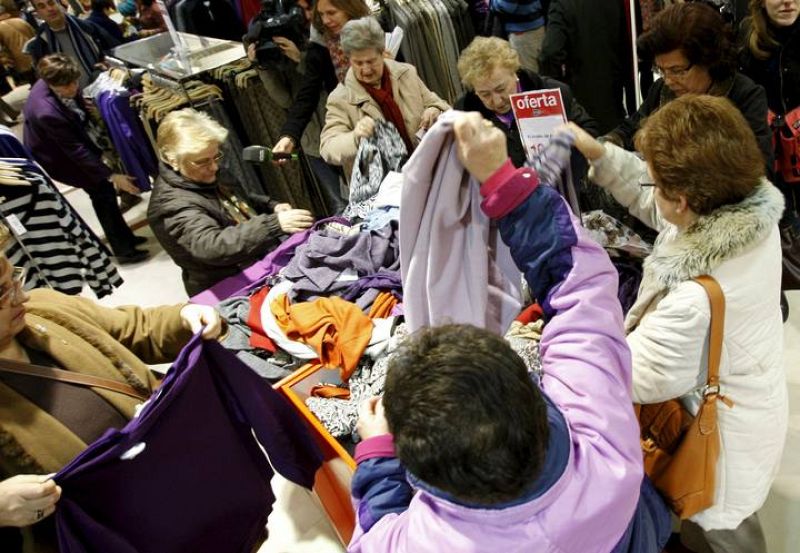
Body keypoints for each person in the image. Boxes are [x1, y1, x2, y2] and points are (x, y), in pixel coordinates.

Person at [348, 113, 671, 552]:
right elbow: (579, 284)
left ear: (419, 466)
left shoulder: (425, 544)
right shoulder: (597, 422)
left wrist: (378, 457)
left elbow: (373, 533)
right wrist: (502, 179)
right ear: (532, 388)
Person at [568, 94, 786, 553]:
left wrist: (566, 341)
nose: (651, 188)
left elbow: (635, 375)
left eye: (658, 183)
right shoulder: (745, 214)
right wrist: (599, 154)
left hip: (719, 438)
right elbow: (661, 213)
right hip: (750, 398)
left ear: (683, 200)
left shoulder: (692, 299)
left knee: (721, 526)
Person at [0, 254, 222, 551]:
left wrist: (185, 318)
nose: (21, 295)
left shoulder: (44, 308)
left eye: (14, 278)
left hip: (183, 487)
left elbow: (133, 327)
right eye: (2, 292)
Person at [148, 108, 314, 297]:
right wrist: (273, 224)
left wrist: (271, 206)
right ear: (173, 160)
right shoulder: (171, 205)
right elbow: (212, 245)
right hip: (230, 288)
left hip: (257, 266)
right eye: (202, 162)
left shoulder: (201, 174)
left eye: (216, 156)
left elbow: (238, 199)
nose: (214, 166)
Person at [604, 2, 772, 163]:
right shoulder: (662, 91)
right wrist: (609, 142)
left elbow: (760, 170)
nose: (668, 80)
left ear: (708, 60)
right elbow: (630, 128)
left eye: (677, 71)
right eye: (661, 70)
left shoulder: (745, 96)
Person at [22, 54, 149, 264]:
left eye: (75, 82)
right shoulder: (47, 112)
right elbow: (76, 151)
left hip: (70, 145)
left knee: (105, 194)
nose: (73, 88)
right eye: (66, 86)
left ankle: (126, 239)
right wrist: (111, 174)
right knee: (102, 194)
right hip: (60, 159)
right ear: (52, 83)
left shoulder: (57, 81)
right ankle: (124, 249)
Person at [245, 0, 347, 214]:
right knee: (340, 204)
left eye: (311, 9)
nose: (311, 16)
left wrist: (301, 58)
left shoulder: (321, 41)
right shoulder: (279, 49)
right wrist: (262, 67)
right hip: (311, 142)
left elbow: (331, 87)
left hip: (341, 132)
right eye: (307, 10)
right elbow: (286, 100)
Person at [319, 16, 450, 179]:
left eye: (371, 61)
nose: (366, 70)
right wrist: (355, 137)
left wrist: (434, 109)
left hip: (427, 171)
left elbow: (441, 105)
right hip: (384, 188)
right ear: (349, 60)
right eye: (358, 63)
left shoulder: (406, 73)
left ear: (383, 53)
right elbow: (328, 148)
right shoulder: (340, 98)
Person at [738, 0, 799, 320]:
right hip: (765, 153)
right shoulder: (746, 42)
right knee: (773, 225)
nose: (787, 1)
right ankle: (774, 288)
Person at [454, 36, 599, 170]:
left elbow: (590, 131)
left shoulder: (551, 92)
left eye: (501, 89)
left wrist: (567, 141)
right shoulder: (465, 112)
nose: (497, 101)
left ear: (515, 73)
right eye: (485, 94)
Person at [270, 0, 370, 164]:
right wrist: (289, 136)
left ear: (348, 7)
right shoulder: (321, 45)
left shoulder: (375, 33)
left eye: (331, 13)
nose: (325, 20)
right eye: (321, 14)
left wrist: (429, 106)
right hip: (352, 130)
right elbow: (308, 93)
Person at [538, 0, 634, 134]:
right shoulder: (617, 2)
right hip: (613, 98)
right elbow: (627, 50)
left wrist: (556, 86)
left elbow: (550, 52)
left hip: (581, 101)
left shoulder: (561, 4)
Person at [26, 0, 120, 88]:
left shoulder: (88, 28)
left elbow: (114, 51)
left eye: (51, 3)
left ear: (59, 4)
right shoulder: (40, 45)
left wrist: (106, 63)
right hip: (74, 100)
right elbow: (46, 80)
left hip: (104, 88)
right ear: (38, 13)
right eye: (42, 6)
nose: (49, 9)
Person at [487, 0, 546, 73]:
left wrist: (491, 3)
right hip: (533, 28)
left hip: (524, 33)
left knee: (528, 75)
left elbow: (506, 7)